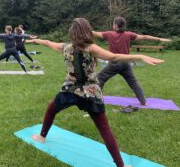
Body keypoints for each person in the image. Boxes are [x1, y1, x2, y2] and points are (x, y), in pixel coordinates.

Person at [27, 17, 163, 167]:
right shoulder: (90, 48)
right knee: (105, 130)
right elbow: (114, 57)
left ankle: (41, 136)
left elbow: (47, 42)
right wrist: (140, 56)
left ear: (72, 32)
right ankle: (121, 166)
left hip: (70, 91)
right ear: (87, 31)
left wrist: (35, 40)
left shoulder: (65, 46)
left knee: (51, 108)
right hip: (89, 93)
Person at [92, 16, 170, 105]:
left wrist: (82, 29)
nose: (112, 25)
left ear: (116, 25)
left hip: (114, 64)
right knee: (134, 83)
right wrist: (159, 39)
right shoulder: (128, 34)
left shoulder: (109, 34)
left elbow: (94, 33)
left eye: (113, 23)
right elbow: (144, 37)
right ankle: (143, 102)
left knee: (99, 79)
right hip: (126, 63)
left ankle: (95, 100)